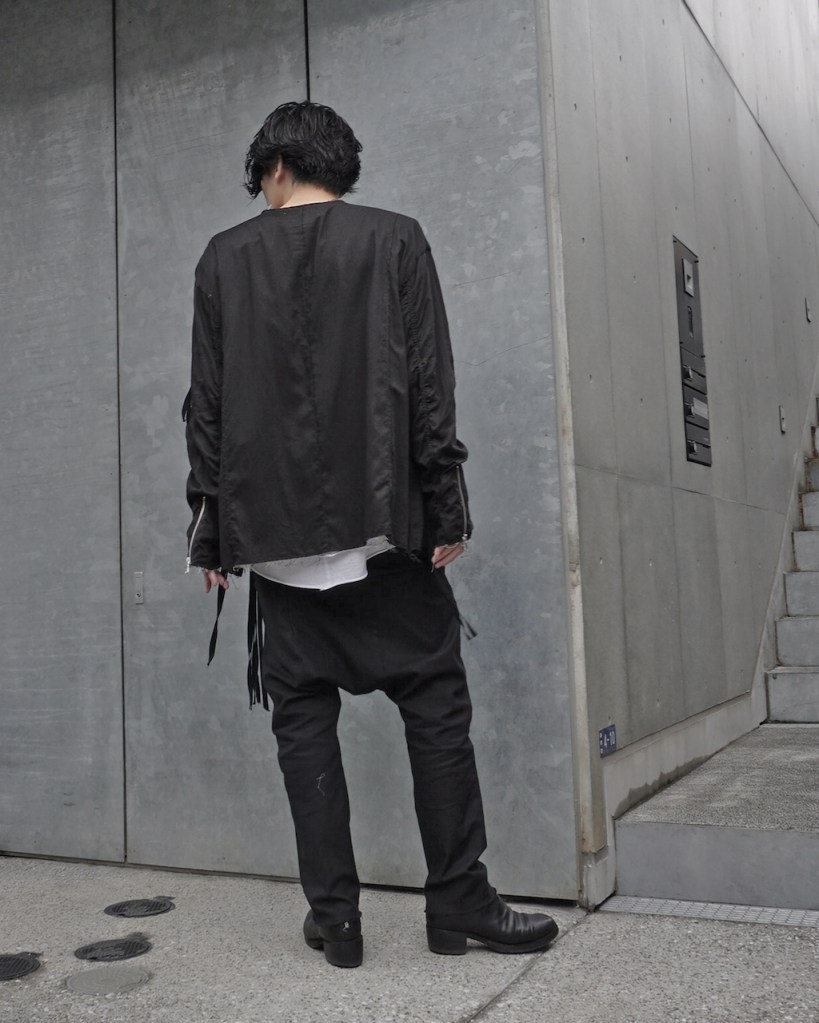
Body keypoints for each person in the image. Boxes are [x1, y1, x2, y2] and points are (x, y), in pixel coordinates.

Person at [183, 101, 558, 968]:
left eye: (261, 177)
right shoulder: (395, 239)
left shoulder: (222, 258)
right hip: (382, 530)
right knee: (434, 707)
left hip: (275, 545)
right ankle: (458, 902)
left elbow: (207, 403)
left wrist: (209, 526)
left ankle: (337, 920)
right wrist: (445, 505)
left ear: (276, 166)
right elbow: (428, 381)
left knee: (302, 724)